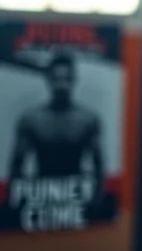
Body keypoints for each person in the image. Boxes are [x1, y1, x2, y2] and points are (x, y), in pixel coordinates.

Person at [7, 50, 104, 213]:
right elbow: (17, 164)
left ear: (74, 80)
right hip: (40, 196)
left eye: (66, 79)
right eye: (57, 79)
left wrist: (96, 200)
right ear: (48, 80)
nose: (62, 85)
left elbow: (98, 164)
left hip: (77, 197)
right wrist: (17, 202)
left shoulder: (87, 119)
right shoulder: (31, 119)